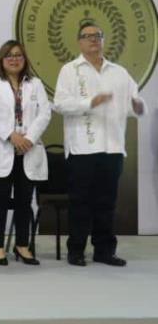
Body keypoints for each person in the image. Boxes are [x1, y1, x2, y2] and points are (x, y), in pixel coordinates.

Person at [53, 20, 145, 267]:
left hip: (112, 146)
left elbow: (134, 105)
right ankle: (76, 250)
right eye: (88, 35)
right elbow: (60, 104)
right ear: (79, 41)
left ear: (104, 40)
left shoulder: (119, 72)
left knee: (107, 202)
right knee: (80, 202)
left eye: (98, 35)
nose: (94, 39)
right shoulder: (70, 70)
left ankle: (104, 250)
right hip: (82, 147)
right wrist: (89, 103)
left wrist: (137, 106)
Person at [0, 40, 51, 266]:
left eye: (18, 55)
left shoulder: (35, 84)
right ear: (2, 59)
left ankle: (22, 245)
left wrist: (27, 139)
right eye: (9, 55)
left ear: (24, 59)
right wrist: (12, 136)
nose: (14, 59)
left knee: (24, 202)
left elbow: (45, 114)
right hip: (3, 148)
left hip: (27, 150)